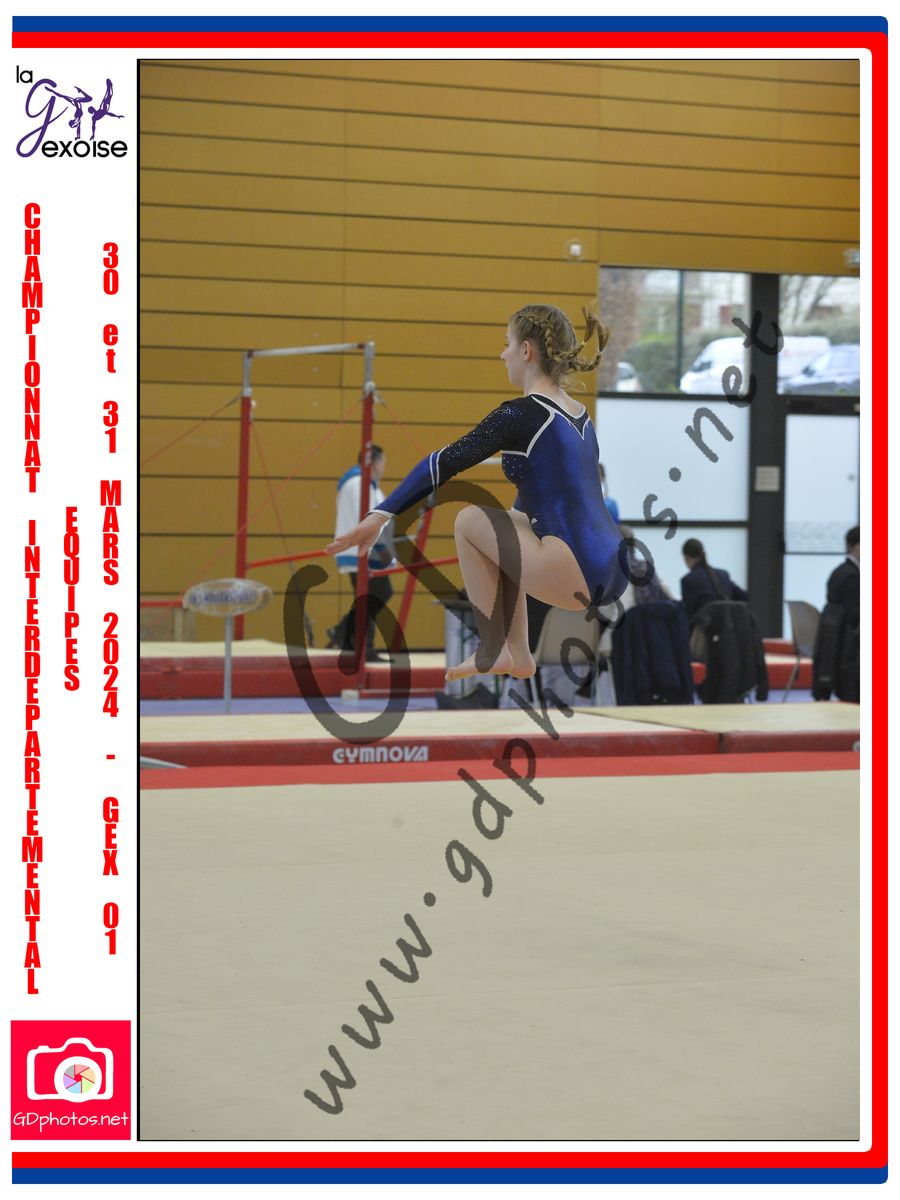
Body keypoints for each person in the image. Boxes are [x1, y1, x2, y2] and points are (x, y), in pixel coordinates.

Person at [326, 304, 627, 681]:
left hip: (574, 569)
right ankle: (518, 654)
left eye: (507, 343)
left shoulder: (522, 413)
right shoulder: (580, 415)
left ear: (526, 351)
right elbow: (538, 501)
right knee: (511, 523)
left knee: (470, 520)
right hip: (616, 567)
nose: (502, 354)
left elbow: (442, 462)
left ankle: (494, 648)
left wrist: (379, 515)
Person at [327, 445, 394, 662]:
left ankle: (354, 641)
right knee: (376, 594)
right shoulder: (359, 484)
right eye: (383, 462)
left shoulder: (363, 485)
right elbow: (367, 519)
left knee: (370, 596)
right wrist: (382, 549)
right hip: (362, 550)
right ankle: (349, 637)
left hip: (361, 549)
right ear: (374, 463)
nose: (384, 467)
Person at [680, 537, 748, 626]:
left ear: (686, 558)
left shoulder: (688, 580)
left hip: (704, 631)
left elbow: (688, 615)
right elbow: (744, 597)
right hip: (728, 629)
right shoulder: (723, 575)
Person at [826, 525, 860, 627]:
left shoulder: (840, 570)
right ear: (853, 546)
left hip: (834, 631)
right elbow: (854, 615)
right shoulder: (852, 576)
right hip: (848, 633)